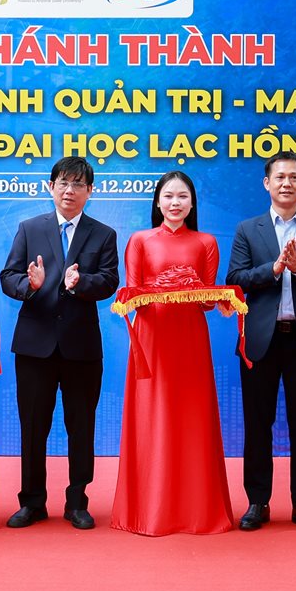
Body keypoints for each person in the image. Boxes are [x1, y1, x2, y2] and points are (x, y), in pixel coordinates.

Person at [226, 150, 296, 534]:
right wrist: (274, 269)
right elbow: (235, 279)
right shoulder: (248, 229)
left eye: (294, 177)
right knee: (258, 424)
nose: (286, 183)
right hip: (261, 341)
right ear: (267, 183)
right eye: (279, 177)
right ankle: (257, 501)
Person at [0, 156, 119, 530]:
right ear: (50, 187)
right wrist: (30, 285)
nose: (70, 190)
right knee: (33, 426)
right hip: (34, 346)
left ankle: (77, 502)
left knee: (81, 426)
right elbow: (8, 276)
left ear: (90, 191)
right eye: (63, 183)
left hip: (81, 347)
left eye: (78, 184)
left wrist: (81, 283)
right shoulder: (29, 228)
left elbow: (110, 280)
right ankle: (32, 502)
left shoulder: (103, 234)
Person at [111, 171, 233, 536]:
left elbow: (207, 301)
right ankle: (149, 510)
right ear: (157, 202)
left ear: (192, 203)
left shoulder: (206, 242)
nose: (175, 203)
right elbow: (132, 292)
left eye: (182, 196)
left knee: (193, 418)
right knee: (153, 416)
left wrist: (220, 299)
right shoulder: (140, 240)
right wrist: (158, 289)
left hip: (191, 339)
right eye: (168, 196)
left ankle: (198, 510)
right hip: (151, 339)